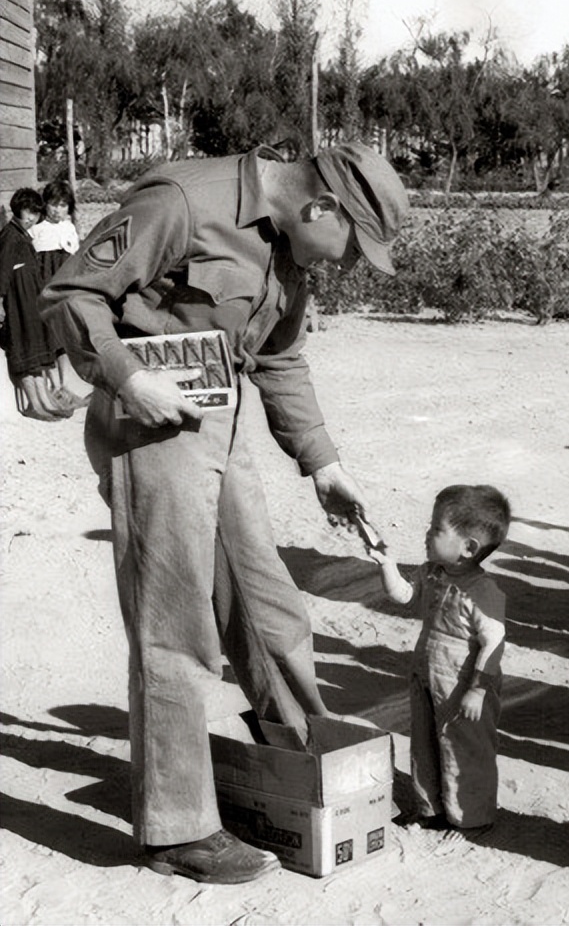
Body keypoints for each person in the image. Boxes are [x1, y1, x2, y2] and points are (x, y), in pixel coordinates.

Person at [40, 142, 409, 883]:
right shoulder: (182, 202)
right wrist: (127, 377)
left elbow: (277, 355)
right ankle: (176, 829)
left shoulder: (289, 246)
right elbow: (70, 295)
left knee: (271, 609)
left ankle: (309, 767)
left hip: (221, 420)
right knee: (177, 625)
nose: (341, 266)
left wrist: (323, 464)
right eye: (348, 247)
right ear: (323, 208)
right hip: (149, 420)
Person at [370, 485, 510, 838]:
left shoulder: (484, 593)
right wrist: (386, 564)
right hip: (426, 674)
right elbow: (402, 595)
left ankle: (471, 816)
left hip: (463, 684)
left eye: (436, 529)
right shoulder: (431, 572)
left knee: (465, 748)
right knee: (424, 741)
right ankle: (429, 807)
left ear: (468, 547)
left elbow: (493, 643)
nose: (427, 534)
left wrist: (478, 691)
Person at [1, 188, 73, 421]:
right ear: (16, 209)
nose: (31, 217)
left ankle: (44, 400)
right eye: (27, 211)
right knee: (24, 351)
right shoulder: (10, 236)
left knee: (36, 350)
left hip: (29, 300)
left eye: (35, 212)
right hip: (16, 303)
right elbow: (2, 273)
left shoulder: (22, 234)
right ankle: (34, 403)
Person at [28, 181, 89, 410]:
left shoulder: (69, 227)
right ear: (46, 205)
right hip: (45, 288)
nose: (57, 210)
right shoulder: (37, 229)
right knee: (48, 337)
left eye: (63, 205)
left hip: (65, 288)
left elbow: (75, 260)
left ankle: (65, 385)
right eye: (53, 204)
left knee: (65, 338)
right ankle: (53, 387)